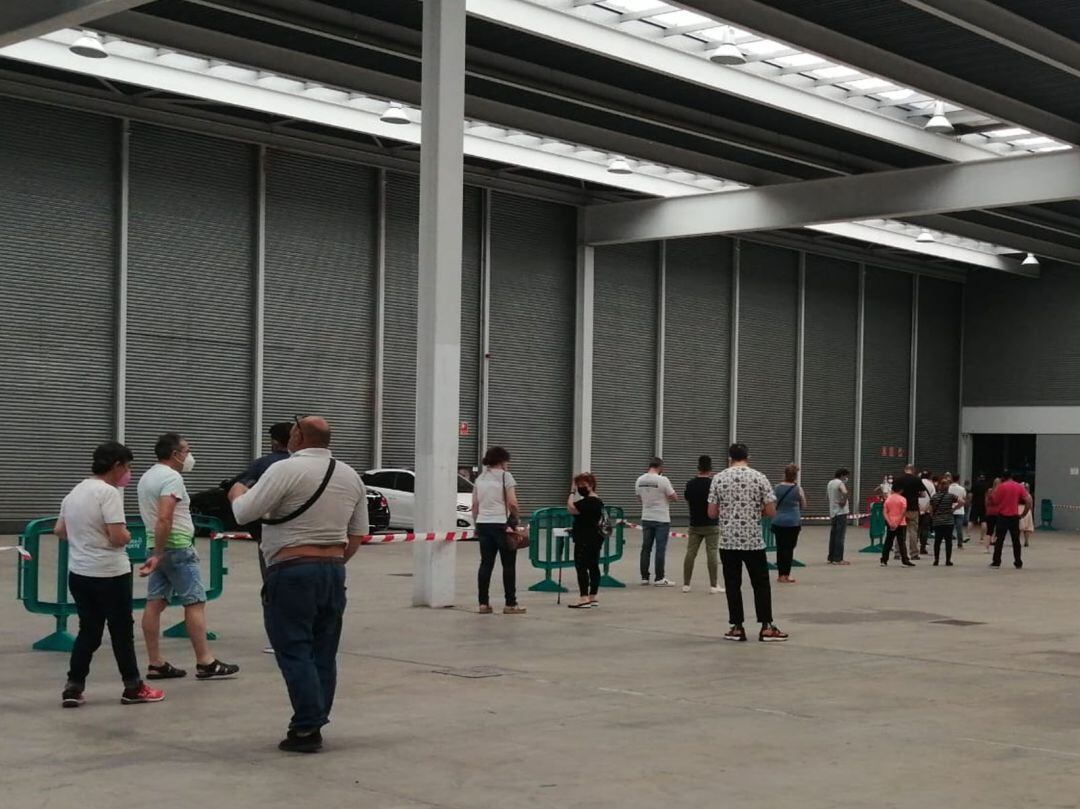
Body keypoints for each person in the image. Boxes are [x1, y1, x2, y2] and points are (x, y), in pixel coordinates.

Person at [230, 415, 368, 753]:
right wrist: (332, 562)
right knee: (323, 650)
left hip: (291, 570)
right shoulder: (350, 476)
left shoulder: (285, 469)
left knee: (293, 648)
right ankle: (315, 720)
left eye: (293, 429)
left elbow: (244, 513)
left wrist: (237, 491)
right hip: (333, 570)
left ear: (300, 436)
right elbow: (358, 534)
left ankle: (307, 727)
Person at [55, 442, 165, 708]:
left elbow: (60, 530)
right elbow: (118, 537)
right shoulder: (108, 493)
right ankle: (133, 686)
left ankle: (74, 686)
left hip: (80, 572)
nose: (128, 474)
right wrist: (126, 536)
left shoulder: (75, 492)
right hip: (110, 573)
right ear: (116, 466)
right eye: (127, 468)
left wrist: (86, 538)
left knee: (89, 631)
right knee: (120, 631)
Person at [138, 433, 239, 682]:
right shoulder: (171, 477)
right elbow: (165, 516)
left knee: (155, 603)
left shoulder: (147, 476)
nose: (189, 456)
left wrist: (156, 552)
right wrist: (162, 552)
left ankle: (155, 663)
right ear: (175, 454)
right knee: (194, 602)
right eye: (186, 450)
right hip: (177, 547)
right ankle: (205, 661)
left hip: (156, 546)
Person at [708, 443, 787, 642]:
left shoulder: (718, 478)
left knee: (733, 584)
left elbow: (711, 512)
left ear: (729, 458)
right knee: (760, 584)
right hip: (753, 541)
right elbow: (771, 511)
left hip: (728, 541)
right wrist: (755, 512)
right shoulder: (759, 477)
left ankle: (736, 627)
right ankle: (767, 627)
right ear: (748, 456)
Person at [237, 421, 293, 653]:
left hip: (270, 539)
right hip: (308, 540)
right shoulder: (311, 465)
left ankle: (279, 638)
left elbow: (241, 492)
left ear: (273, 441)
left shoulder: (262, 465)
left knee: (273, 587)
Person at [472, 446, 526, 614]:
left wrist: (476, 525)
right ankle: (510, 603)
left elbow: (474, 506)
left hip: (483, 524)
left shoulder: (480, 479)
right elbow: (512, 503)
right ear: (503, 462)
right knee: (508, 564)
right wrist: (517, 517)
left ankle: (483, 603)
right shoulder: (506, 477)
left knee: (486, 564)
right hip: (501, 524)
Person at [682, 455, 723, 594]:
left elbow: (688, 499)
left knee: (690, 553)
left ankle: (686, 584)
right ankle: (713, 585)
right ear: (710, 469)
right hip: (711, 523)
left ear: (698, 468)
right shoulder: (714, 484)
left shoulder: (690, 484)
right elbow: (718, 503)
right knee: (711, 552)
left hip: (694, 523)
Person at [635, 457, 677, 587]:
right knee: (660, 548)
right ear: (660, 467)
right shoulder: (663, 480)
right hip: (661, 519)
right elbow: (674, 497)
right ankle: (659, 578)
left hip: (646, 517)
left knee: (646, 548)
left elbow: (639, 498)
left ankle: (644, 577)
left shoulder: (640, 480)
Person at [566, 473, 604, 608]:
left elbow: (571, 508)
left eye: (583, 485)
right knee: (593, 566)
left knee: (581, 566)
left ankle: (584, 597)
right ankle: (593, 596)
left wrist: (571, 492)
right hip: (595, 537)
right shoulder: (597, 501)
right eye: (578, 485)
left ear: (591, 485)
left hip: (585, 538)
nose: (580, 488)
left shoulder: (589, 501)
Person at [772, 463, 807, 584]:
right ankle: (787, 575)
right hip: (793, 522)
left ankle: (780, 575)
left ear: (784, 474)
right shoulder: (798, 489)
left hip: (778, 521)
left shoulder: (776, 488)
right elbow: (804, 505)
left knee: (780, 548)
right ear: (795, 476)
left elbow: (773, 504)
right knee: (789, 548)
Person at [990, 471, 1032, 569]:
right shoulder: (1019, 486)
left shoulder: (1001, 487)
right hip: (1014, 516)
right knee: (1016, 541)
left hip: (1002, 516)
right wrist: (1023, 514)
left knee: (999, 540)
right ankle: (1018, 561)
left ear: (1003, 478)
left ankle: (996, 561)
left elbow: (995, 501)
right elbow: (1028, 500)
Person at [891, 465, 924, 561]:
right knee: (913, 531)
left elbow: (893, 494)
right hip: (913, 508)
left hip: (900, 509)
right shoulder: (917, 480)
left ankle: (897, 553)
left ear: (905, 470)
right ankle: (914, 554)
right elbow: (922, 494)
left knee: (900, 531)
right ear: (913, 470)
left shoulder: (898, 479)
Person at [929, 477, 961, 566]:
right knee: (948, 542)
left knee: (937, 541)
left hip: (938, 522)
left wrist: (933, 516)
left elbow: (931, 508)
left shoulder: (935, 496)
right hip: (948, 522)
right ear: (948, 487)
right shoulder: (950, 496)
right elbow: (962, 501)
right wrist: (954, 509)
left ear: (939, 486)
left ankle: (936, 560)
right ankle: (948, 560)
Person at [880, 487, 915, 567]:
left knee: (888, 542)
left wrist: (890, 522)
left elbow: (884, 512)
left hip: (890, 523)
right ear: (901, 490)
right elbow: (903, 513)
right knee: (901, 542)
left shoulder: (888, 499)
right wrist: (897, 522)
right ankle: (905, 560)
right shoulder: (902, 499)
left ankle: (884, 560)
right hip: (901, 524)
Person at [826, 468, 851, 565]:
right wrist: (844, 501)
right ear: (842, 475)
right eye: (846, 476)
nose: (846, 478)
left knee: (833, 535)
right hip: (841, 512)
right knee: (840, 536)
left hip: (833, 512)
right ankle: (838, 558)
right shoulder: (840, 483)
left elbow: (827, 496)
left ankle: (831, 557)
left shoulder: (830, 483)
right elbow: (845, 492)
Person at [947, 473, 967, 549]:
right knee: (959, 528)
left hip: (950, 509)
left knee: (949, 527)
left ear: (951, 478)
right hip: (960, 510)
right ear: (958, 479)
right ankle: (960, 543)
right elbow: (964, 499)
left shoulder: (948, 488)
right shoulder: (962, 489)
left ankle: (949, 541)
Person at [969, 474, 988, 548]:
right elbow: (986, 496)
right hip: (983, 505)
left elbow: (970, 495)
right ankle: (982, 537)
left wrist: (970, 502)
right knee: (983, 521)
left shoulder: (975, 485)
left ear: (978, 478)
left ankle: (968, 535)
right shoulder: (986, 485)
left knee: (971, 520)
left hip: (975, 504)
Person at [983, 477, 1002, 554]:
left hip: (990, 512)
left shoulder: (989, 491)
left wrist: (987, 509)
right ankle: (996, 547)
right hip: (999, 512)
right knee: (998, 531)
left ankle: (986, 548)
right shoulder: (1001, 491)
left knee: (989, 531)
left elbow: (986, 502)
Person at [1020, 483, 1035, 547]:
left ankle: (1018, 541)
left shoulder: (1019, 495)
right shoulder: (1029, 495)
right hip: (1028, 511)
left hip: (1020, 510)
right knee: (1027, 528)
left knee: (1019, 528)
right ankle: (1026, 541)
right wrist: (1031, 513)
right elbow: (1031, 505)